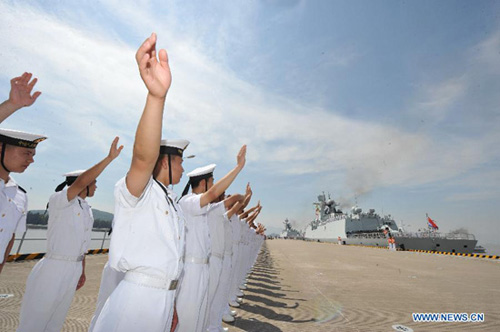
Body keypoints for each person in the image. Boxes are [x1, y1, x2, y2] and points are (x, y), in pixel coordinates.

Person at [93, 33, 187, 332]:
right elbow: (142, 158)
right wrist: (156, 97)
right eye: (179, 160)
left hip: (162, 299)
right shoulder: (136, 191)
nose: (184, 167)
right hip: (136, 302)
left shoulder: (170, 202)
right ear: (164, 160)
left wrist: (171, 305)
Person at [17, 137, 123, 332]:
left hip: (72, 268)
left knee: (55, 321)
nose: (97, 187)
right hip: (54, 267)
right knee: (35, 320)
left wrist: (81, 270)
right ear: (84, 183)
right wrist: (109, 159)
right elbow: (81, 181)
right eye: (94, 183)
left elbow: (80, 245)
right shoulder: (60, 200)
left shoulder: (86, 208)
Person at [176, 153, 246, 332]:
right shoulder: (188, 202)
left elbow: (219, 198)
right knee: (188, 319)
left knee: (201, 314)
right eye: (211, 181)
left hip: (203, 266)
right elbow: (215, 194)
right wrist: (237, 168)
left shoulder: (205, 206)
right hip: (191, 269)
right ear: (203, 183)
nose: (213, 186)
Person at [0, 129, 46, 274]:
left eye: (33, 155)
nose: (31, 160)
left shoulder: (20, 195)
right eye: (27, 153)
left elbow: (10, 235)